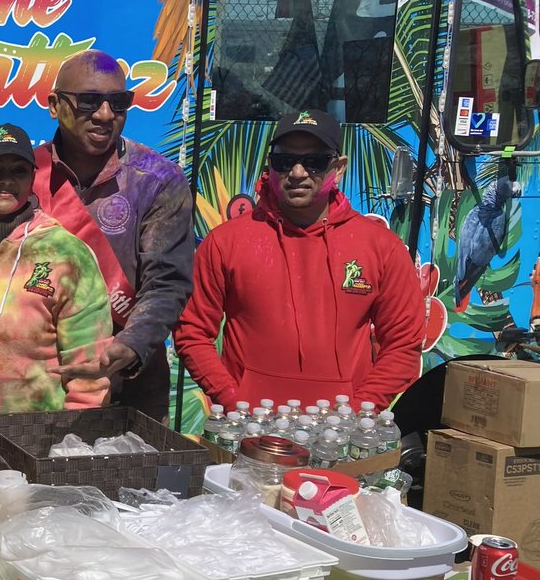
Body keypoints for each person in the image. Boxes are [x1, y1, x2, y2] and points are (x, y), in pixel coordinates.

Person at [0, 49, 194, 422]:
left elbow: (166, 283)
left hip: (131, 380)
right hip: (42, 387)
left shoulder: (158, 181)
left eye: (119, 102)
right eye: (89, 102)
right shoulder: (24, 171)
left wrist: (130, 346)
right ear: (54, 105)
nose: (105, 115)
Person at [172, 108, 425, 410]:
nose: (297, 173)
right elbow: (192, 332)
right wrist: (231, 399)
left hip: (340, 436)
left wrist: (358, 411)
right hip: (247, 429)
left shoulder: (382, 247)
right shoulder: (225, 242)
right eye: (284, 161)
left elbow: (403, 345)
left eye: (315, 162)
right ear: (270, 165)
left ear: (339, 167)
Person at [0, 124, 113, 485]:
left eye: (18, 171)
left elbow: (91, 369)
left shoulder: (66, 255)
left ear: (32, 178)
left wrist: (67, 445)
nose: (5, 182)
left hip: (33, 445)